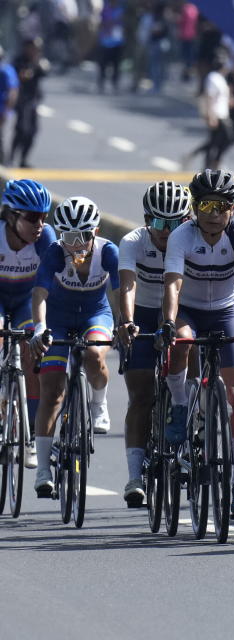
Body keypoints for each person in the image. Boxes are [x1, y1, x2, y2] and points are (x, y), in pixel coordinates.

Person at [158, 170, 234, 518]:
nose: (212, 212)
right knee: (183, 341)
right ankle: (179, 405)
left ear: (231, 209)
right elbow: (173, 284)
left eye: (220, 206)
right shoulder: (181, 236)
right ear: (195, 206)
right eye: (205, 204)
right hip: (188, 311)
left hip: (224, 312)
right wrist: (166, 322)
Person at [31, 197, 120, 497]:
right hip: (57, 317)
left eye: (83, 236)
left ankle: (99, 403)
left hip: (96, 313)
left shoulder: (108, 251)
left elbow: (121, 291)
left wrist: (124, 323)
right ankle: (43, 468)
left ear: (95, 232)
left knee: (95, 354)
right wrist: (40, 328)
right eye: (68, 237)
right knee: (52, 390)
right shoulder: (56, 252)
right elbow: (40, 292)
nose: (76, 243)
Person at [116, 181, 192, 506]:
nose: (167, 231)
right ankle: (135, 477)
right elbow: (128, 286)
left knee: (195, 358)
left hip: (181, 311)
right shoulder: (132, 242)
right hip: (143, 314)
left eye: (175, 223)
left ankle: (191, 431)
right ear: (148, 220)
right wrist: (128, 322)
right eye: (160, 223)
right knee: (141, 394)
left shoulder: (191, 241)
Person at [0, 179, 55, 470]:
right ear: (11, 216)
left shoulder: (45, 238)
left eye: (44, 217)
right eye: (32, 217)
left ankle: (31, 436)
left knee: (35, 351)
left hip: (25, 301)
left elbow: (53, 286)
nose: (40, 224)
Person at [9, 38, 48, 168]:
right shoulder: (19, 60)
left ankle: (23, 159)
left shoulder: (37, 61)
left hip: (33, 100)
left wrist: (38, 65)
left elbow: (44, 73)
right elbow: (18, 76)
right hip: (21, 100)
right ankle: (11, 157)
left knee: (33, 131)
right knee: (21, 129)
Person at [97, 0, 125, 93]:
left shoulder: (121, 10)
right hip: (106, 41)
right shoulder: (105, 10)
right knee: (103, 65)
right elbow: (101, 23)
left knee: (116, 65)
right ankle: (101, 84)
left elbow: (124, 24)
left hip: (117, 42)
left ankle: (115, 84)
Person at [0, 45, 20, 165]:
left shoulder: (6, 71)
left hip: (2, 110)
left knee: (2, 138)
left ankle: (3, 164)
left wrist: (7, 110)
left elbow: (13, 92)